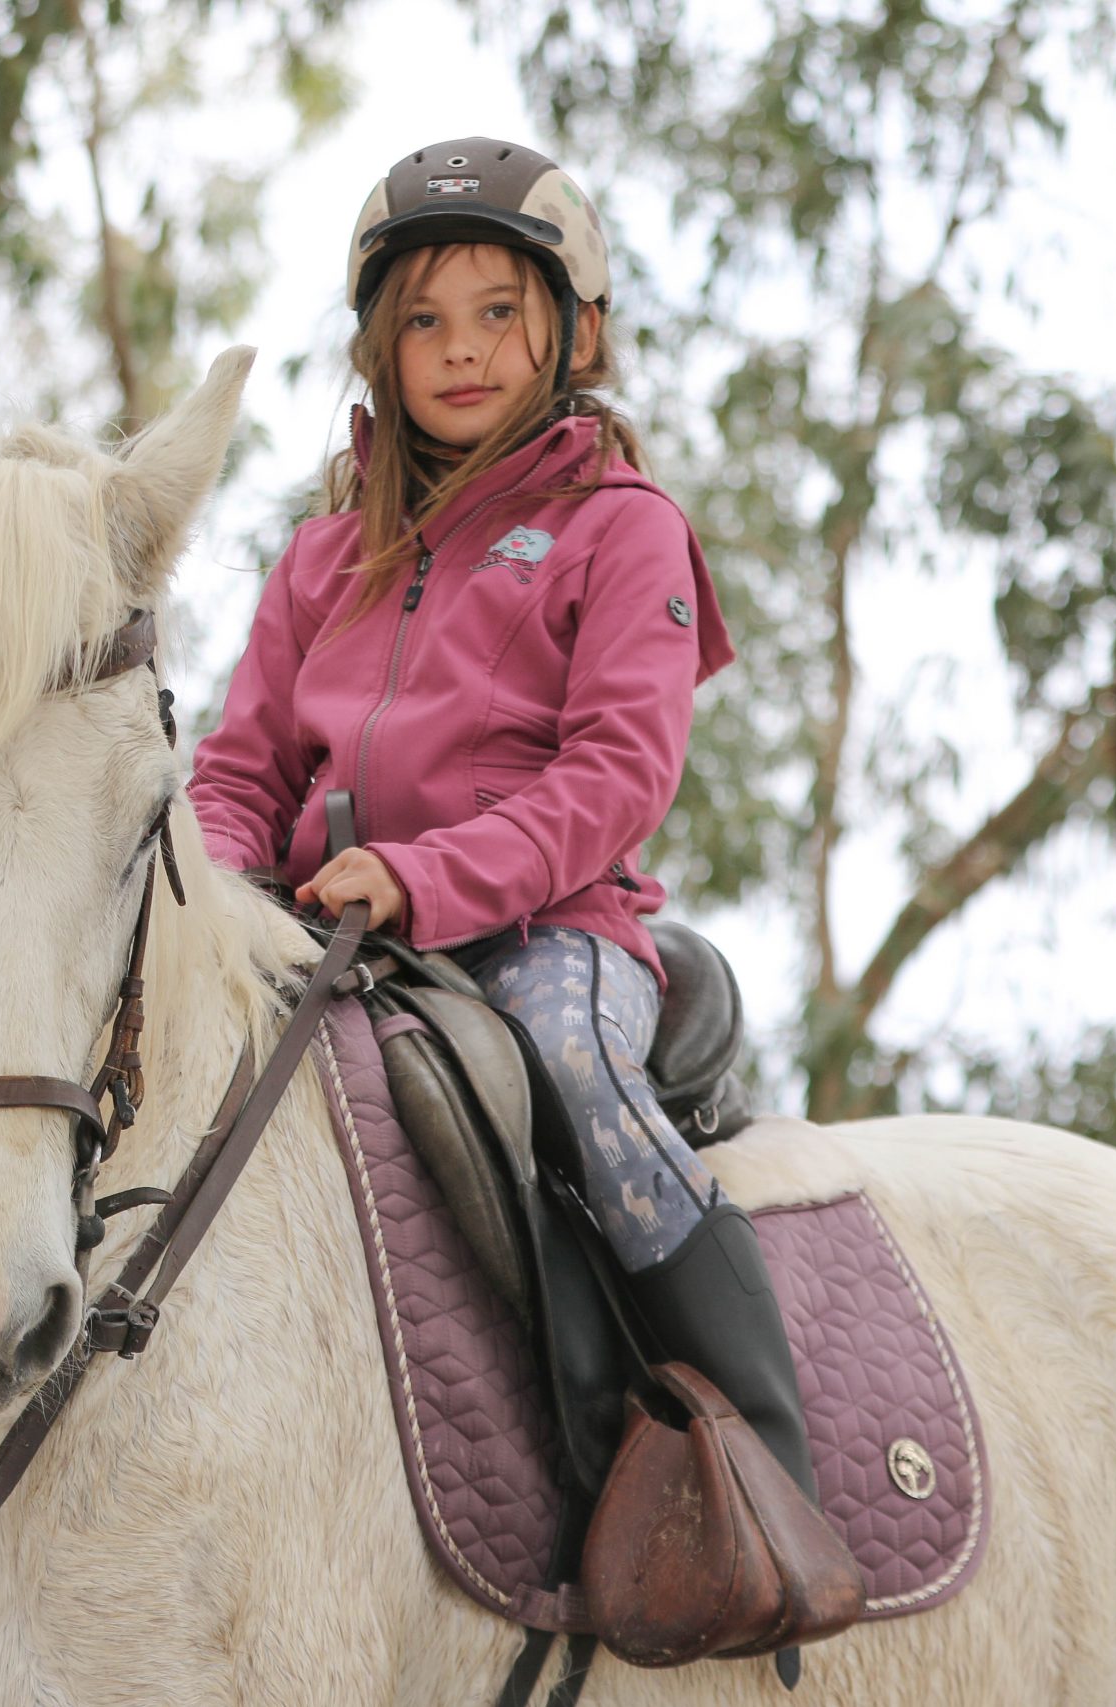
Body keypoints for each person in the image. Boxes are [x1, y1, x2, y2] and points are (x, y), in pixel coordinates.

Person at [187, 138, 824, 1516]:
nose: (461, 350)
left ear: (572, 333)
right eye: (423, 320)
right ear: (380, 349)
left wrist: (421, 878)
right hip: (328, 933)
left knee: (571, 1075)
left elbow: (618, 775)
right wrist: (205, 892)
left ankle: (765, 1483)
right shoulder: (320, 557)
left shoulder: (623, 528)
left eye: (496, 312)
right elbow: (238, 772)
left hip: (546, 935)